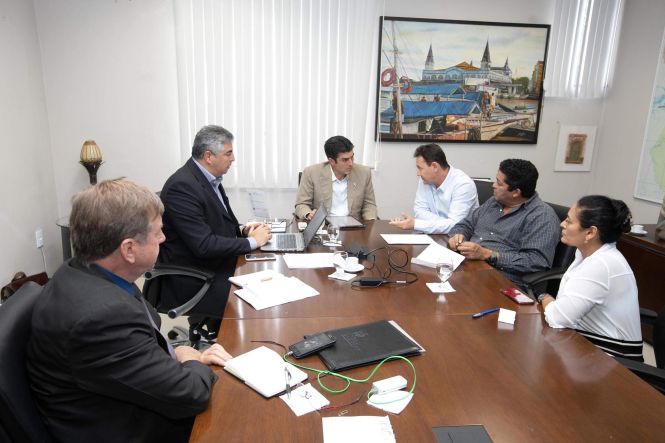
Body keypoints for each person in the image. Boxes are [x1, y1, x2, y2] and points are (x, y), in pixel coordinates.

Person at [27, 179, 233, 443]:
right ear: (129, 249)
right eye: (158, 231)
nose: (164, 238)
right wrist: (191, 358)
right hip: (134, 429)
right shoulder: (101, 318)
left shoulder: (83, 271)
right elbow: (190, 394)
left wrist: (178, 355)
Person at [159, 125, 271, 335]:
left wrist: (243, 231)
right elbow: (203, 245)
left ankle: (222, 331)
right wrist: (252, 242)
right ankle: (234, 346)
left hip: (215, 264)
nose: (233, 158)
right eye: (228, 153)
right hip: (194, 276)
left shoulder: (210, 179)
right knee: (255, 298)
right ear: (209, 156)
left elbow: (215, 224)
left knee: (267, 276)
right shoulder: (182, 186)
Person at [539, 195, 643, 361]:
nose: (562, 224)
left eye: (569, 221)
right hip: (586, 344)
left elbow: (558, 318)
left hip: (615, 361)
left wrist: (544, 297)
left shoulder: (602, 264)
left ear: (590, 232)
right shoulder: (587, 253)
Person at [448, 159, 560, 288]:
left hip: (504, 282)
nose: (493, 185)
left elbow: (535, 262)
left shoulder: (542, 217)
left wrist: (488, 254)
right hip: (469, 268)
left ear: (516, 192)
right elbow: (465, 224)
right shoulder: (494, 202)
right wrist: (458, 236)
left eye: (499, 183)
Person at [389, 143, 478, 234]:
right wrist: (443, 223)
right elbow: (419, 211)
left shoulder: (463, 185)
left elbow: (455, 226)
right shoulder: (426, 180)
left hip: (459, 241)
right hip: (433, 236)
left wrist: (416, 224)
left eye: (420, 168)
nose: (418, 174)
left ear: (434, 166)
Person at [295, 135, 377, 221]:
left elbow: (369, 205)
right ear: (331, 161)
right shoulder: (311, 173)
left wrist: (370, 222)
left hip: (354, 227)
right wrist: (309, 214)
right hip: (324, 226)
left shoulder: (364, 173)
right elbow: (301, 204)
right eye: (345, 160)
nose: (350, 163)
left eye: (352, 157)